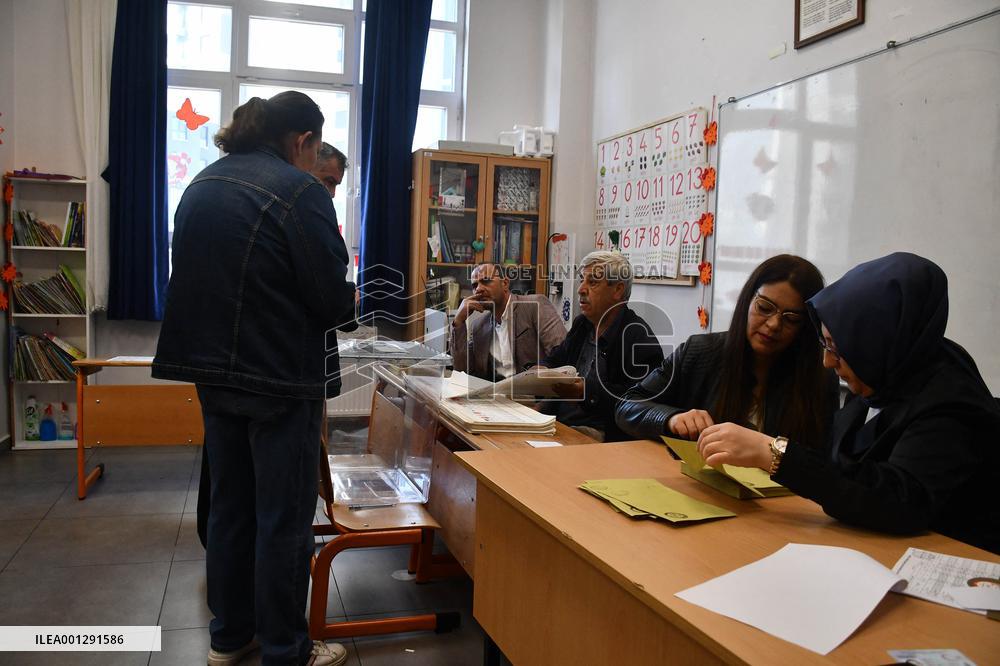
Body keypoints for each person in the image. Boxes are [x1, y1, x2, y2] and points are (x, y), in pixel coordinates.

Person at [152, 91, 354, 666]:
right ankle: (287, 650)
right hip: (280, 379)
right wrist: (351, 296)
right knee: (284, 520)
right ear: (302, 142)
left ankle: (230, 636)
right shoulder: (299, 192)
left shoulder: (201, 186)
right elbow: (328, 298)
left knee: (230, 509)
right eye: (315, 149)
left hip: (211, 375)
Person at [695, 253, 1000, 554]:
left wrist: (774, 453)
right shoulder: (880, 371)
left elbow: (900, 502)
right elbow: (841, 466)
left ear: (876, 343)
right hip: (860, 544)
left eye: (837, 349)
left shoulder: (951, 403)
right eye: (825, 343)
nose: (828, 362)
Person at [616, 254, 837, 447]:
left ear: (806, 327)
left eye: (791, 319)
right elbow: (628, 405)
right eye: (764, 308)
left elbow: (820, 461)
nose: (773, 325)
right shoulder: (700, 351)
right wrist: (671, 418)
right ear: (747, 301)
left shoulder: (820, 377)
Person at [538, 251, 663, 441]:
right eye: (582, 280)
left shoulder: (638, 337)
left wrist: (586, 391)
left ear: (618, 290)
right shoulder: (583, 324)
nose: (581, 289)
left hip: (603, 435)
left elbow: (641, 405)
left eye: (593, 282)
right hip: (560, 423)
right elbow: (556, 358)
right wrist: (540, 369)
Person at [449, 263, 566, 380]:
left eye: (486, 281)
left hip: (536, 394)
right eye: (474, 285)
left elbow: (564, 353)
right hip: (494, 395)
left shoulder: (534, 306)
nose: (478, 289)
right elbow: (462, 372)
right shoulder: (479, 326)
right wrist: (458, 321)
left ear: (504, 284)